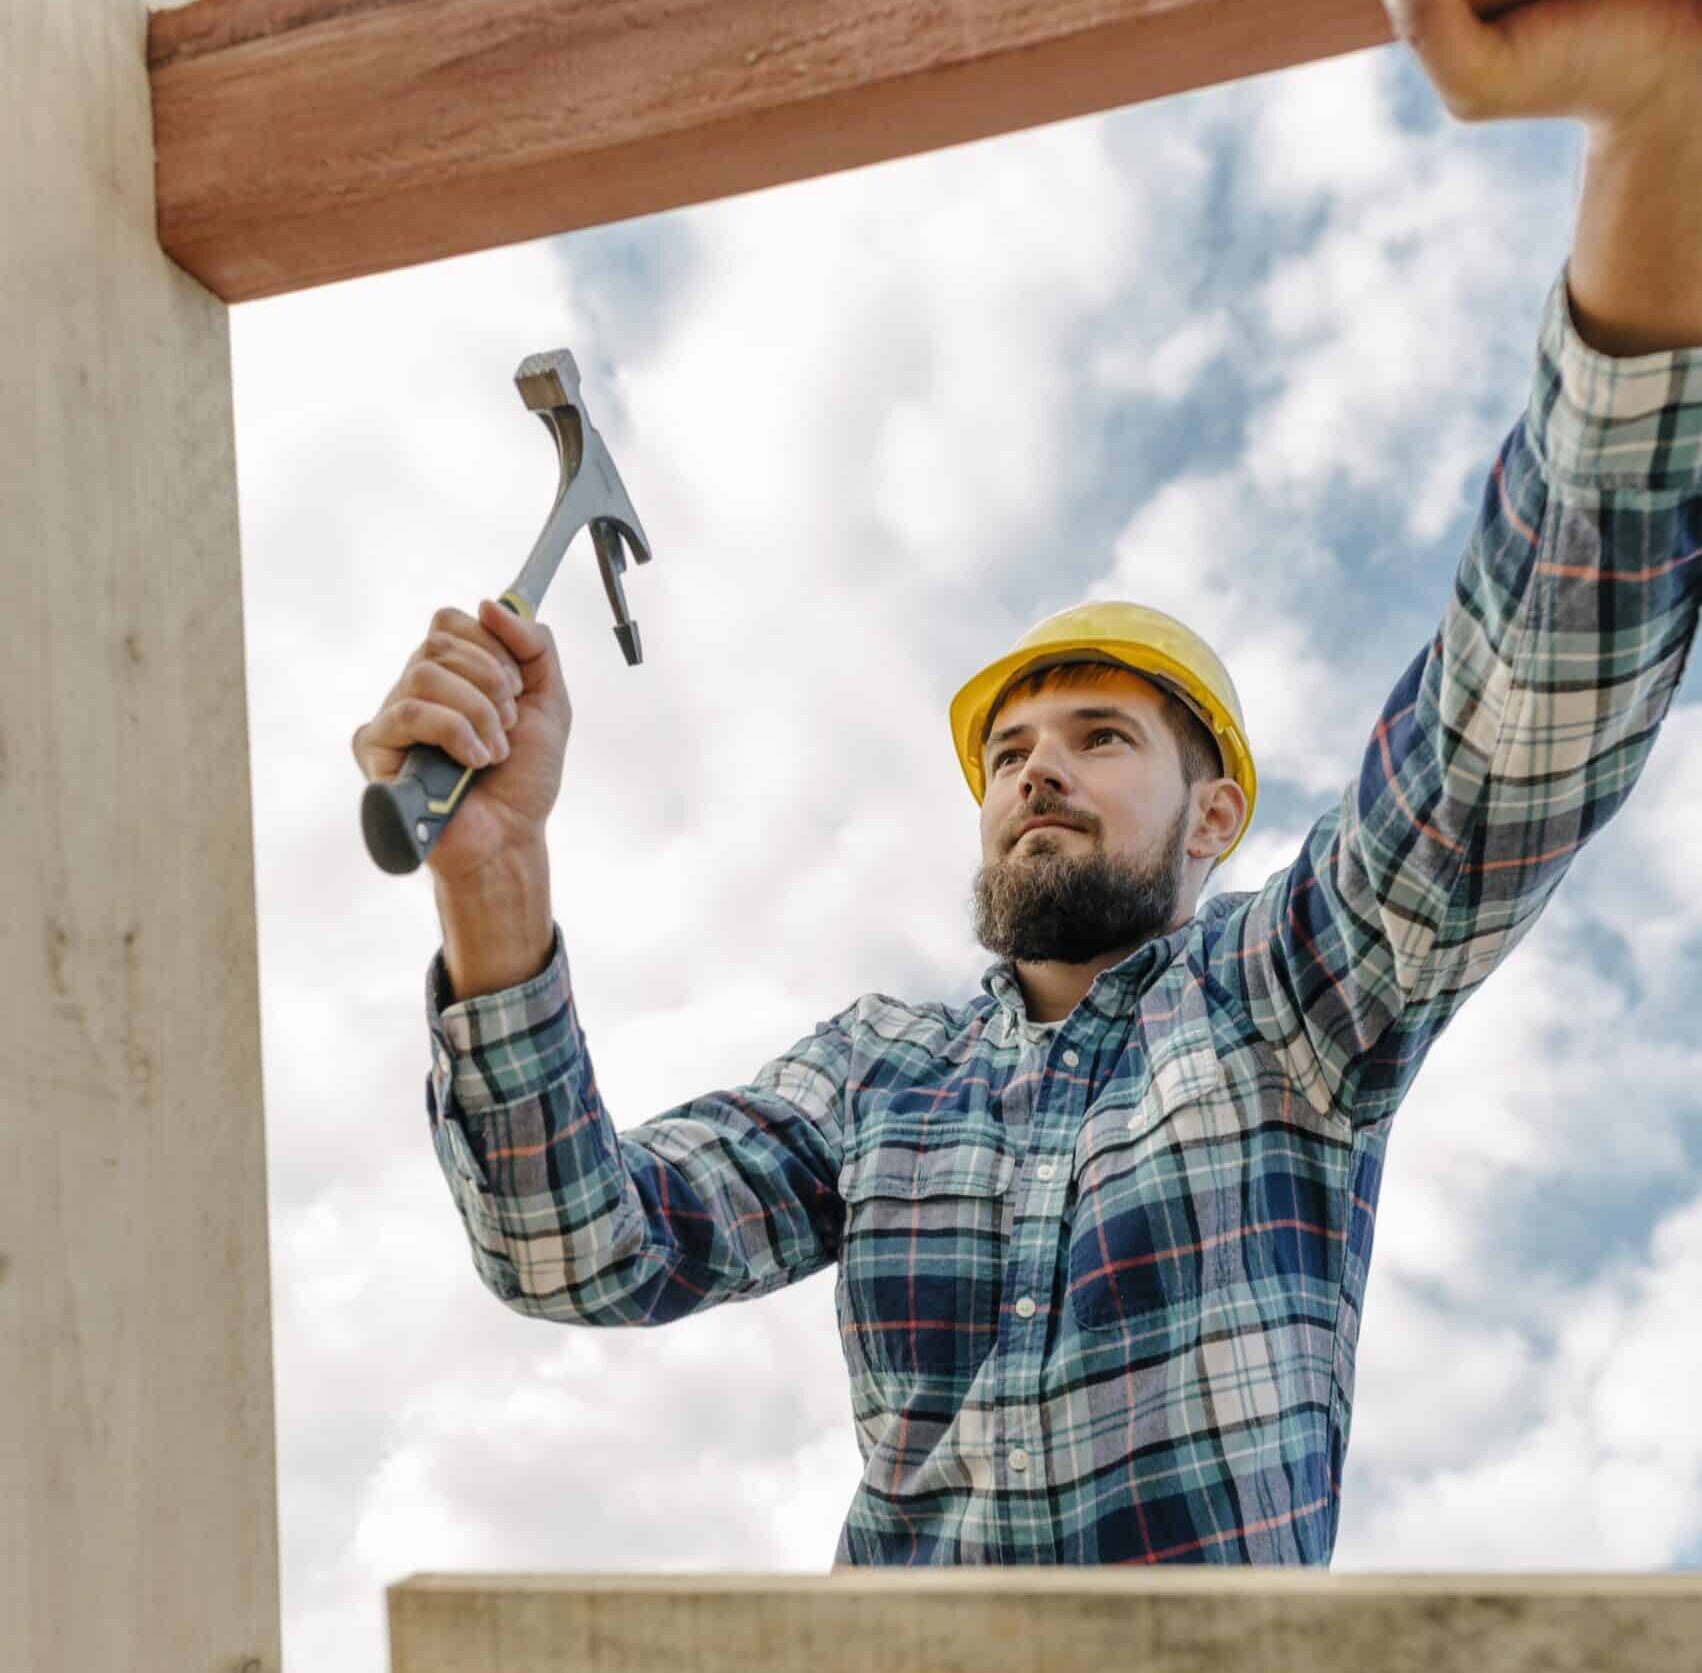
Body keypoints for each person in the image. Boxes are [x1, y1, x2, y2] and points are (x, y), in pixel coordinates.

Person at [351, 0, 1702, 1566]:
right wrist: (492, 872)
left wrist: (1653, 124)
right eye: (1008, 751)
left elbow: (1516, 713)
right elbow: (576, 1247)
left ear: (1213, 816)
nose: (1036, 767)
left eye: (1100, 736)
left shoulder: (1283, 1004)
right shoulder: (880, 1076)